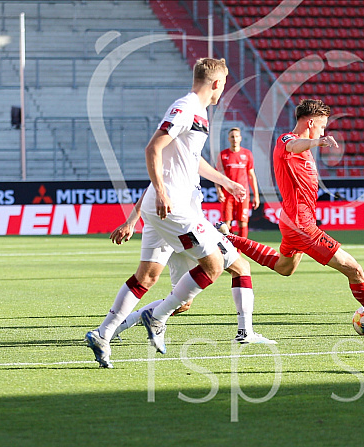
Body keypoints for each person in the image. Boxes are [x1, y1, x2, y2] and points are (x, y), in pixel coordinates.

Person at [85, 57, 267, 368]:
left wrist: (225, 181)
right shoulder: (187, 107)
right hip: (175, 207)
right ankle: (156, 317)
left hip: (164, 207)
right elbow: (153, 148)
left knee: (147, 276)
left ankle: (104, 333)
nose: (222, 91)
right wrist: (164, 191)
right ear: (216, 84)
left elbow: (189, 158)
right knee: (215, 266)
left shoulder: (197, 113)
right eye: (223, 85)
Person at [217, 99, 364, 338]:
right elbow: (292, 145)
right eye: (322, 127)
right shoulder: (287, 141)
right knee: (355, 270)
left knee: (284, 268)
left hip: (296, 223)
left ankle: (229, 240)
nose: (324, 132)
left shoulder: (303, 149)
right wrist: (317, 141)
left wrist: (314, 142)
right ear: (311, 123)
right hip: (300, 225)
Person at [105, 193, 275, 347]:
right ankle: (245, 332)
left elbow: (150, 191)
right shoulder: (180, 164)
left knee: (182, 302)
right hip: (189, 229)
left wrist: (131, 222)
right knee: (241, 268)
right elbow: (155, 190)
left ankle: (117, 326)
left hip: (170, 233)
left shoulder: (175, 166)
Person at [215, 127, 260, 238]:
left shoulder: (247, 154)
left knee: (242, 222)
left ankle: (241, 251)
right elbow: (217, 175)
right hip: (227, 194)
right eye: (232, 137)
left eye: (236, 136)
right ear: (228, 139)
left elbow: (251, 175)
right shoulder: (223, 155)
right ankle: (229, 249)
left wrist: (256, 195)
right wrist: (219, 191)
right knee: (226, 224)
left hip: (243, 194)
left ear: (240, 138)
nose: (234, 139)